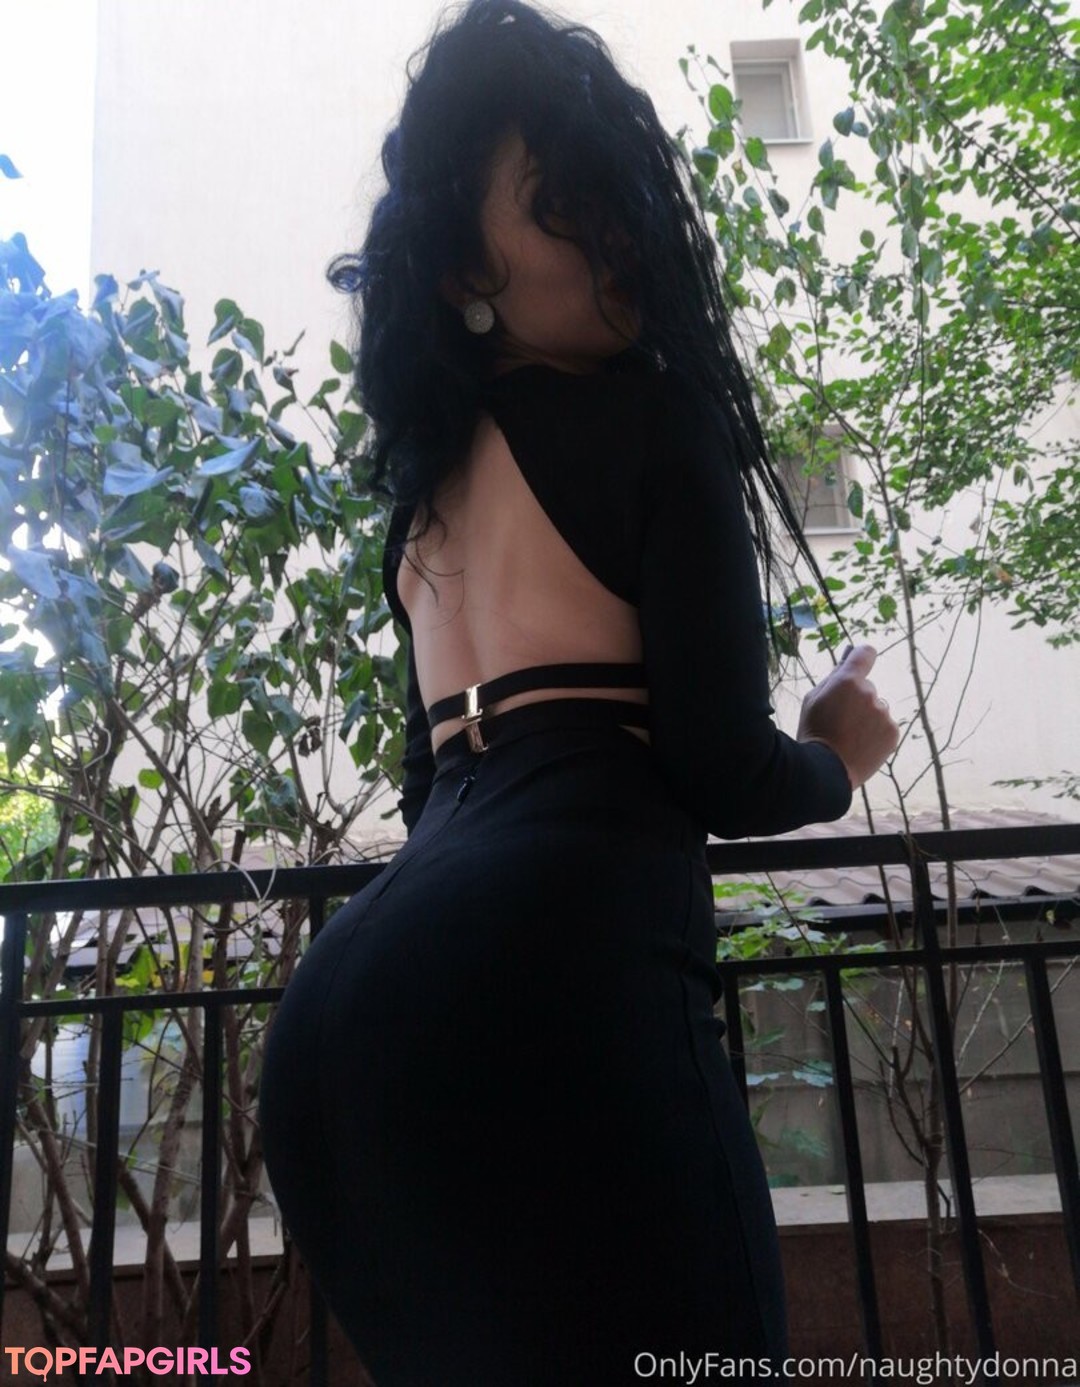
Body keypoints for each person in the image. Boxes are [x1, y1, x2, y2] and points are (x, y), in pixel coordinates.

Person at [257, 2, 899, 1383]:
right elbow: (722, 765)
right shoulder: (660, 421)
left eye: (611, 192)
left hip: (340, 1038)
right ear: (460, 269)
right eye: (558, 200)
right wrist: (838, 753)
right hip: (554, 980)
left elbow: (434, 795)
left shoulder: (425, 503)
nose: (611, 233)